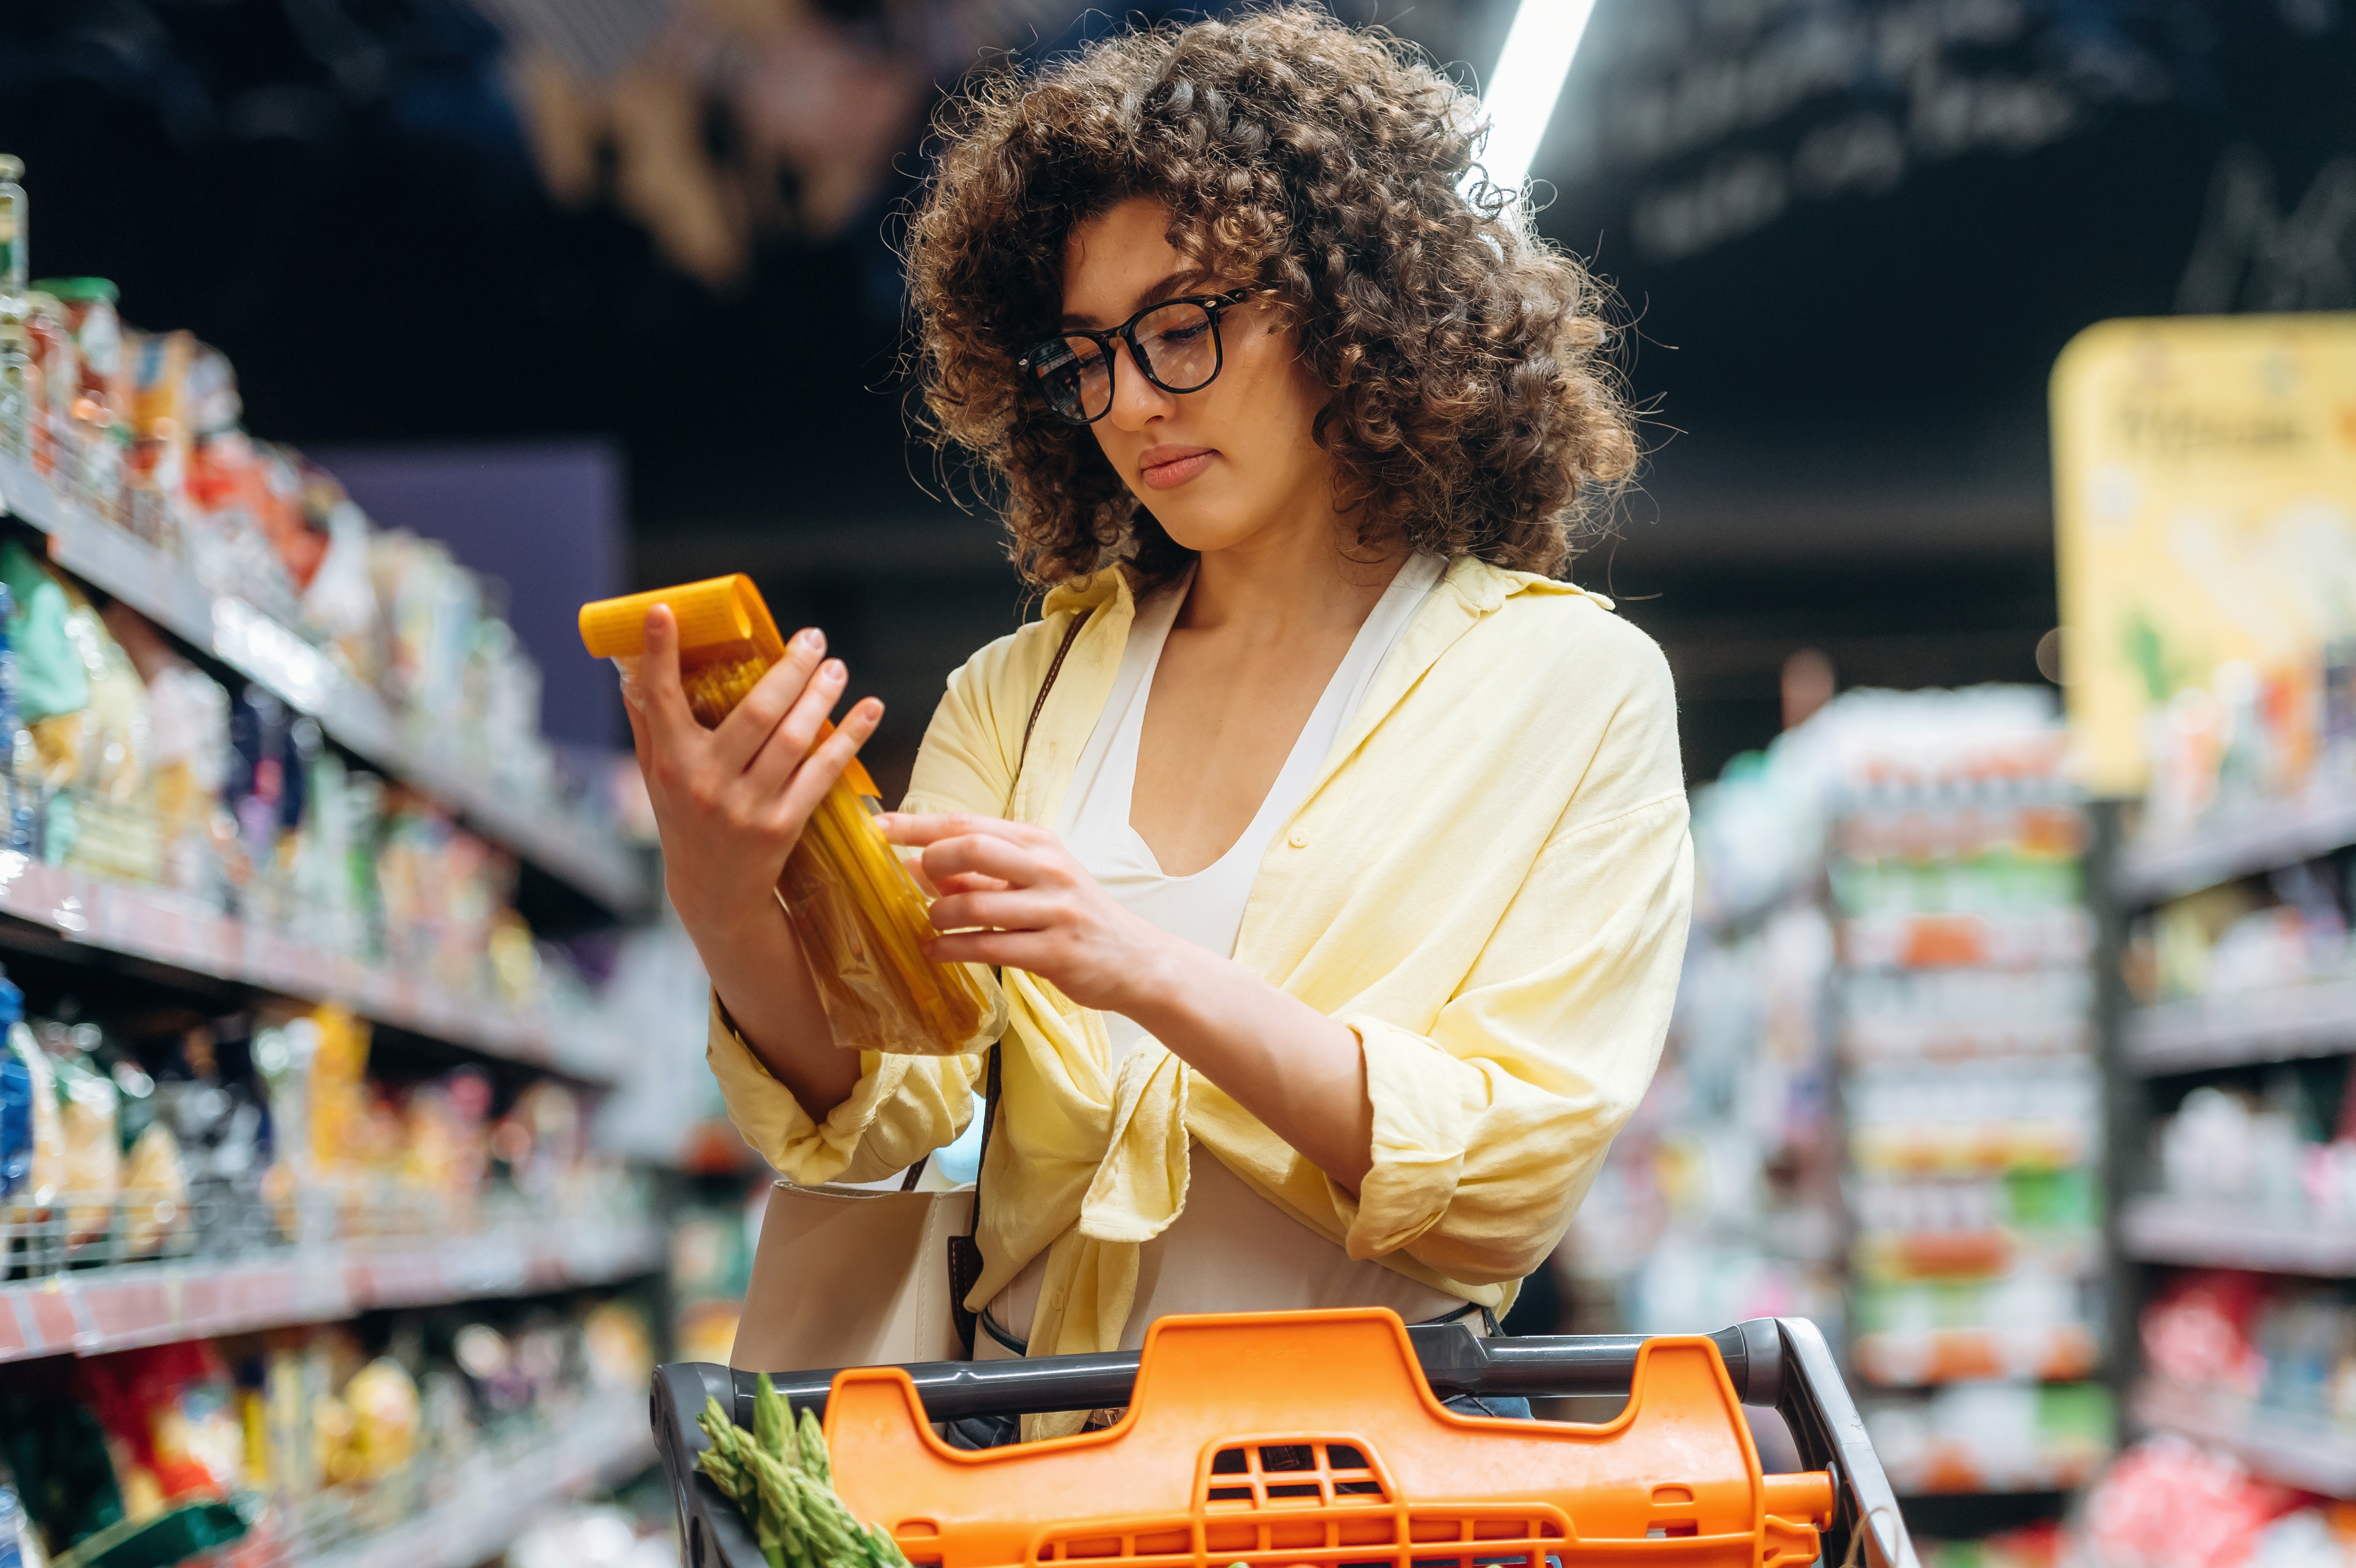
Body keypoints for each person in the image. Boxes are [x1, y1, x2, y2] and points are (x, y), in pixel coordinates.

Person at [620, 7, 1689, 1435]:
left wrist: (1138, 966)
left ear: (1353, 308)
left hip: (1358, 1509)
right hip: (1026, 1481)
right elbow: (895, 1108)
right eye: (1088, 357)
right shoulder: (1026, 694)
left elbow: (1508, 1176)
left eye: (1181, 330)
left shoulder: (1569, 689)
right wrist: (726, 898)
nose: (1128, 403)